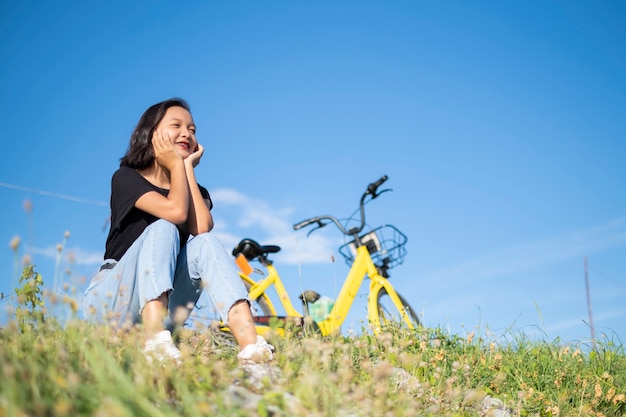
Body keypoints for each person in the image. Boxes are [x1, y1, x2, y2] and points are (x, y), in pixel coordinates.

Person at [81, 98, 274, 368]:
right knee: (163, 227)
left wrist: (185, 171)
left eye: (192, 129)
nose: (187, 133)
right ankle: (154, 340)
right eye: (176, 125)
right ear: (151, 134)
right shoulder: (126, 178)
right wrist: (175, 165)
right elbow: (174, 213)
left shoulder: (198, 191)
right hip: (112, 306)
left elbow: (202, 228)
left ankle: (252, 348)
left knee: (204, 242)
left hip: (168, 301)